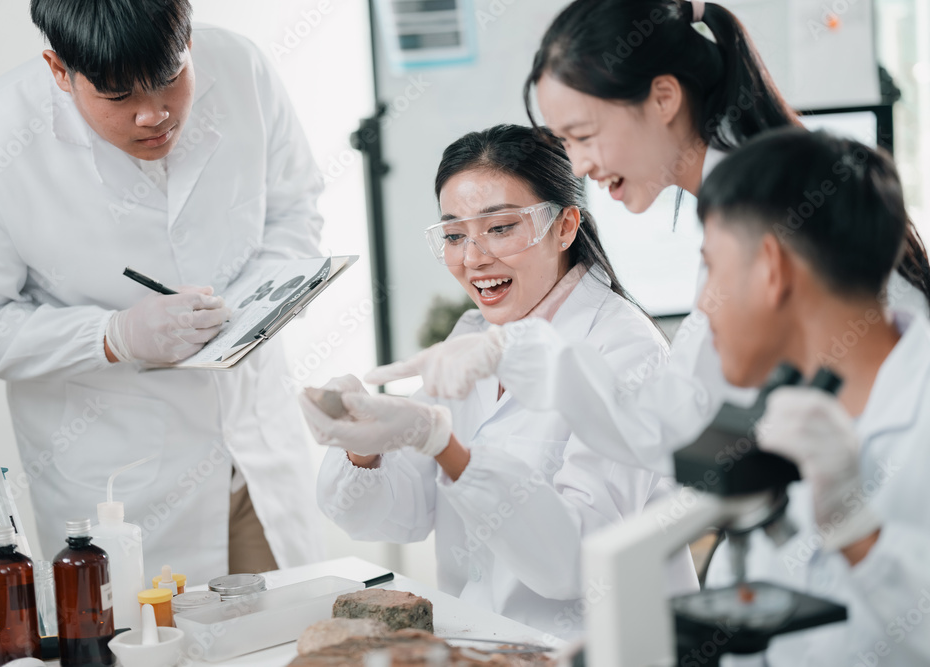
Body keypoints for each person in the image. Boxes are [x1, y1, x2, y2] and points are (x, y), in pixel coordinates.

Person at [365, 0, 930, 477]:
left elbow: (679, 421)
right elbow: (677, 417)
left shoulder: (765, 212)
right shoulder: (739, 195)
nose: (579, 166)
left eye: (584, 135)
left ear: (663, 98)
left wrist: (522, 359)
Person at [0, 0, 325, 581]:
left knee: (289, 621)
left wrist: (251, 309)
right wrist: (114, 337)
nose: (154, 116)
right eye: (118, 97)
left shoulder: (241, 66)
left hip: (255, 451)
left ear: (189, 39)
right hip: (121, 484)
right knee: (144, 629)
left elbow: (294, 207)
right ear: (59, 70)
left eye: (170, 79)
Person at [300, 125, 699, 640]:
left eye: (500, 227)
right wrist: (363, 447)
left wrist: (445, 446)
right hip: (481, 639)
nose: (473, 258)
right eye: (454, 235)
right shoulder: (473, 336)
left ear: (564, 227)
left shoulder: (626, 350)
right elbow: (397, 517)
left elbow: (574, 564)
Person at [694, 129, 930, 665]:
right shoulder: (782, 412)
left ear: (771, 267)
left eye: (712, 267)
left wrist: (860, 536)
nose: (704, 303)